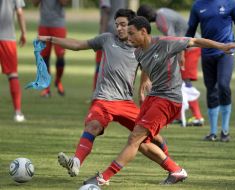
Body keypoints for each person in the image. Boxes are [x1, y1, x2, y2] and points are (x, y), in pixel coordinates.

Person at [83, 16, 235, 186]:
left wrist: (222, 46)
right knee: (141, 143)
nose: (128, 38)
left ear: (144, 32)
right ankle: (176, 170)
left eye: (132, 34)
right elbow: (146, 69)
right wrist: (144, 85)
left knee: (135, 138)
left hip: (169, 99)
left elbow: (195, 41)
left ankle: (103, 178)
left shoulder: (165, 43)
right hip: (154, 97)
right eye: (127, 35)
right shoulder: (138, 52)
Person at [38, 9, 169, 178]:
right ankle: (76, 162)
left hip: (125, 102)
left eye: (123, 25)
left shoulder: (139, 47)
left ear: (132, 26)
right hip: (103, 99)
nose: (119, 29)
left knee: (153, 137)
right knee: (93, 125)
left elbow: (148, 66)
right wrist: (50, 39)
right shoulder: (107, 39)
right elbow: (77, 45)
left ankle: (171, 165)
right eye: (117, 25)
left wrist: (144, 82)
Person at [186, 0, 235, 141]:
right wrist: (182, 52)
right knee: (211, 90)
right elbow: (190, 31)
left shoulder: (231, 3)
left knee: (223, 86)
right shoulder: (197, 6)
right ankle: (213, 133)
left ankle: (225, 131)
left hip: (226, 52)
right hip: (207, 54)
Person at [137, 5, 204, 127]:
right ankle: (178, 115)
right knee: (178, 79)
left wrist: (180, 55)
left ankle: (197, 116)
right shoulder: (162, 11)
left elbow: (173, 40)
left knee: (185, 79)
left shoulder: (160, 21)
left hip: (191, 47)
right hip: (187, 46)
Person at [32, 0, 69, 97]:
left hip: (58, 25)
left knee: (60, 56)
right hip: (44, 25)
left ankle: (58, 81)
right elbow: (34, 3)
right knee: (44, 58)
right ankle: (46, 88)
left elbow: (64, 2)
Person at [0, 0, 26, 122]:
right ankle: (18, 112)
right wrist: (24, 32)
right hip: (7, 37)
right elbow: (20, 12)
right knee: (12, 74)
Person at [93, 0, 128, 89]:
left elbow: (106, 10)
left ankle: (96, 92)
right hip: (122, 32)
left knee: (100, 64)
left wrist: (101, 36)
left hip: (109, 31)